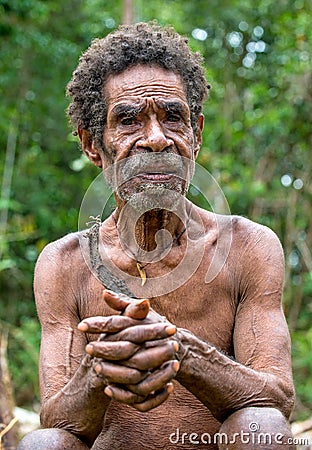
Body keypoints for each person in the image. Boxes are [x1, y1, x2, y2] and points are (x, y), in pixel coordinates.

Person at [18, 22, 295, 450]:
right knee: (44, 443)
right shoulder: (64, 263)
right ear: (93, 144)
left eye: (173, 117)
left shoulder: (248, 246)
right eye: (128, 121)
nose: (156, 139)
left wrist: (181, 351)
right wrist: (101, 367)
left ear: (196, 133)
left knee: (262, 424)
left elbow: (277, 396)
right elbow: (56, 416)